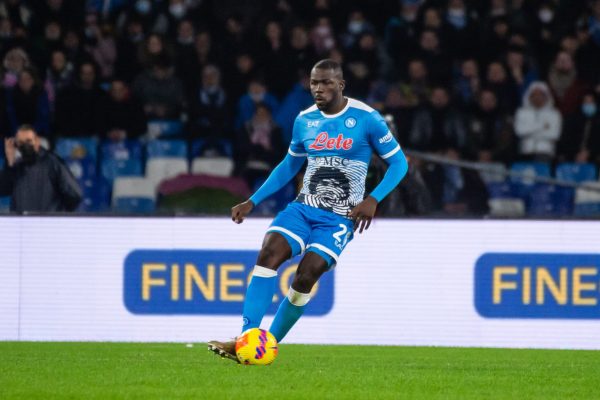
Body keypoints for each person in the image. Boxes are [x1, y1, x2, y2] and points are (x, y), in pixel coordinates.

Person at [208, 59, 408, 361]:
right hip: (303, 208)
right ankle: (246, 338)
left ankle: (266, 344)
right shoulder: (304, 120)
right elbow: (290, 164)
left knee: (306, 275)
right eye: (314, 82)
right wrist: (253, 200)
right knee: (268, 254)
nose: (318, 88)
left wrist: (373, 199)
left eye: (326, 82)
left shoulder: (367, 118)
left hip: (341, 217)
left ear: (340, 85)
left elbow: (400, 163)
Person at [0, 125, 82, 213]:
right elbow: (3, 189)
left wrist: (59, 216)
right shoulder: (15, 167)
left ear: (37, 141)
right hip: (22, 224)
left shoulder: (52, 163)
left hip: (47, 224)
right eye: (21, 142)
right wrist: (9, 163)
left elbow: (75, 194)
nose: (25, 145)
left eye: (28, 141)